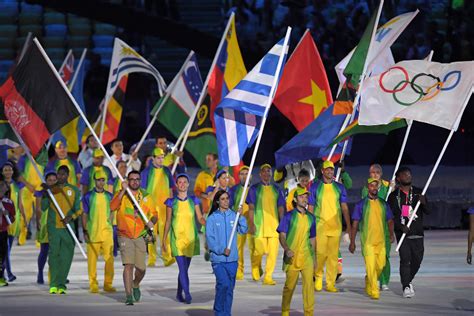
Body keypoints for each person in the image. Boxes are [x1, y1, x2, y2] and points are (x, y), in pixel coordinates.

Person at [110, 170, 157, 305]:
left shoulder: (146, 196)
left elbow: (155, 214)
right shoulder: (122, 194)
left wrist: (151, 222)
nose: (135, 181)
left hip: (140, 235)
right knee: (128, 265)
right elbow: (112, 207)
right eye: (132, 179)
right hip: (124, 235)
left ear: (140, 181)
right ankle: (128, 295)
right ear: (128, 181)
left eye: (137, 179)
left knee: (141, 268)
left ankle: (136, 283)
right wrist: (122, 191)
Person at [162, 173, 206, 304]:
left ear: (188, 184)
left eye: (184, 182)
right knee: (182, 268)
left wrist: (210, 221)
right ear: (176, 185)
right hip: (177, 239)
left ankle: (178, 293)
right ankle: (187, 293)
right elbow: (168, 221)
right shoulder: (171, 202)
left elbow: (200, 218)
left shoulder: (194, 200)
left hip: (191, 239)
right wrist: (164, 240)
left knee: (184, 270)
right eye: (179, 182)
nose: (182, 184)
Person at [308, 160, 351, 292]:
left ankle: (331, 283)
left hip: (335, 227)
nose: (330, 171)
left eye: (331, 169)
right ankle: (319, 277)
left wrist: (348, 225)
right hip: (320, 226)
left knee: (333, 257)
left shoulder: (340, 187)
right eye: (327, 169)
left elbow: (344, 208)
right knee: (320, 254)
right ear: (322, 171)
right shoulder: (315, 187)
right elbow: (310, 208)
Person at [349, 178, 395, 300]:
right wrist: (352, 242)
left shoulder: (383, 204)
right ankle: (374, 290)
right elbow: (355, 224)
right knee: (370, 266)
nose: (374, 188)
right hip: (368, 243)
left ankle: (368, 279)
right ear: (367, 188)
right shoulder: (361, 205)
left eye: (376, 186)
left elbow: (390, 221)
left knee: (380, 265)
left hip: (381, 242)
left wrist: (391, 234)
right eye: (371, 186)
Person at [388, 166, 430, 298]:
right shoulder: (394, 196)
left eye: (409, 174)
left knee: (417, 260)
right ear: (398, 178)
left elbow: (428, 211)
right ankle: (405, 285)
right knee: (405, 259)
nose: (408, 176)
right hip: (403, 234)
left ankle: (408, 279)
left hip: (417, 232)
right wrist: (400, 226)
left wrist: (424, 203)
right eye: (405, 174)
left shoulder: (418, 192)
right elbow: (390, 216)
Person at [206, 190, 248, 315]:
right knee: (223, 284)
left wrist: (240, 216)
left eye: (227, 198)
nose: (226, 201)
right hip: (218, 260)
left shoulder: (234, 216)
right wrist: (221, 250)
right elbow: (210, 239)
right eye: (222, 199)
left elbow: (243, 230)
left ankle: (226, 313)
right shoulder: (212, 218)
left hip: (232, 260)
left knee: (229, 288)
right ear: (217, 201)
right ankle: (219, 311)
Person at [43, 165, 82, 294]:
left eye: (63, 174)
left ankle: (61, 284)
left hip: (68, 228)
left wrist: (72, 217)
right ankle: (53, 284)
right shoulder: (51, 190)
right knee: (54, 255)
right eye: (59, 174)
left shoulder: (74, 190)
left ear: (68, 175)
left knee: (66, 257)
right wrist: (45, 193)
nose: (60, 177)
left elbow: (79, 209)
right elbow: (43, 207)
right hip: (54, 227)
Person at [278, 187, 316, 316]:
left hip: (307, 257)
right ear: (295, 199)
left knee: (309, 287)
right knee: (289, 287)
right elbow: (282, 235)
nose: (304, 199)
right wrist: (287, 249)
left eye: (306, 197)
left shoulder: (312, 218)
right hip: (292, 257)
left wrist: (314, 258)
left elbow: (312, 238)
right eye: (301, 197)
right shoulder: (288, 216)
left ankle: (309, 313)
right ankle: (285, 310)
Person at [246, 164, 285, 285]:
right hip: (259, 225)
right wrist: (251, 223)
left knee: (273, 253)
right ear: (260, 174)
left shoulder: (277, 189)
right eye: (264, 171)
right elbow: (251, 207)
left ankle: (268, 276)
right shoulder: (254, 189)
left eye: (269, 171)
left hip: (274, 226)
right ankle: (255, 266)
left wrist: (283, 223)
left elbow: (280, 208)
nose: (267, 173)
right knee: (258, 250)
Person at [361, 163, 394, 291]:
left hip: (384, 228)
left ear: (380, 174)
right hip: (370, 229)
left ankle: (384, 280)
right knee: (371, 258)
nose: (374, 175)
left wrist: (392, 190)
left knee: (384, 256)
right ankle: (372, 278)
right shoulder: (366, 188)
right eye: (372, 173)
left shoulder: (388, 186)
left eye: (376, 173)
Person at [82, 170, 116, 293]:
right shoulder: (88, 196)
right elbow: (84, 214)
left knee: (109, 260)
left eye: (103, 180)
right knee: (92, 261)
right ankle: (93, 283)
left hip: (107, 232)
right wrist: (85, 230)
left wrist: (110, 225)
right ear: (94, 181)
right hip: (93, 232)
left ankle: (108, 283)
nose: (101, 182)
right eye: (99, 180)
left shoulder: (109, 196)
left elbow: (112, 212)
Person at [141, 148, 175, 267]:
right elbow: (143, 191)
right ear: (153, 158)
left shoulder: (167, 171)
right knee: (151, 233)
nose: (161, 160)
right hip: (152, 208)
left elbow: (171, 188)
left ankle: (167, 257)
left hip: (165, 207)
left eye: (162, 158)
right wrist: (144, 207)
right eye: (159, 158)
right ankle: (151, 258)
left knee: (166, 232)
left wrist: (171, 204)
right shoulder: (146, 172)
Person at [46, 141, 82, 241]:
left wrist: (78, 189)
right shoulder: (52, 163)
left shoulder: (74, 161)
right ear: (56, 150)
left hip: (72, 192)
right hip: (59, 193)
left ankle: (76, 236)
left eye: (64, 147)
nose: (62, 149)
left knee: (74, 213)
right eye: (59, 147)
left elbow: (79, 176)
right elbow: (50, 178)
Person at [2, 162, 26, 282]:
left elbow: (20, 204)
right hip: (3, 221)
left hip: (14, 220)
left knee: (7, 249)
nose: (8, 172)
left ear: (13, 171)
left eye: (9, 170)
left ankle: (6, 272)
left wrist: (25, 218)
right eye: (5, 170)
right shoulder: (1, 185)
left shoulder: (17, 186)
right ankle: (9, 273)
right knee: (5, 249)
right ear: (2, 172)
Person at [229, 165, 252, 280]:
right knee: (239, 248)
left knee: (255, 248)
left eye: (246, 174)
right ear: (238, 176)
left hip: (253, 222)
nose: (244, 176)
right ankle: (239, 270)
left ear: (251, 176)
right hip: (239, 223)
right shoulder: (234, 190)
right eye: (242, 174)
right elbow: (229, 205)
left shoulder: (254, 189)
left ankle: (256, 267)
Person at [35, 171, 57, 284]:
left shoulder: (59, 192)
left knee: (57, 252)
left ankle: (56, 274)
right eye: (50, 180)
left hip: (57, 224)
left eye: (54, 180)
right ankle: (40, 272)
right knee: (44, 251)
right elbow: (38, 209)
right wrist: (38, 222)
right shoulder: (40, 193)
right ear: (46, 181)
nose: (52, 182)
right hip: (45, 223)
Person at [17, 153, 45, 245]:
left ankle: (39, 238)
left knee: (40, 214)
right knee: (24, 214)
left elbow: (48, 172)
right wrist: (28, 185)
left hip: (40, 189)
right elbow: (18, 174)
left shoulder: (43, 157)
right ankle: (22, 238)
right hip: (26, 188)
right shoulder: (24, 158)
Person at [0, 180, 15, 287]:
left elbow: (13, 218)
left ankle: (1, 277)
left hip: (3, 232)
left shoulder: (8, 203)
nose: (1, 188)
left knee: (3, 256)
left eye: (3, 186)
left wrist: (8, 215)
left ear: (6, 188)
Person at [112, 160, 128, 257]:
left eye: (125, 166)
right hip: (115, 212)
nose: (123, 168)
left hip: (126, 212)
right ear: (117, 168)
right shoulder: (113, 181)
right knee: (114, 233)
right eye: (121, 166)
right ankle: (113, 253)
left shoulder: (130, 181)